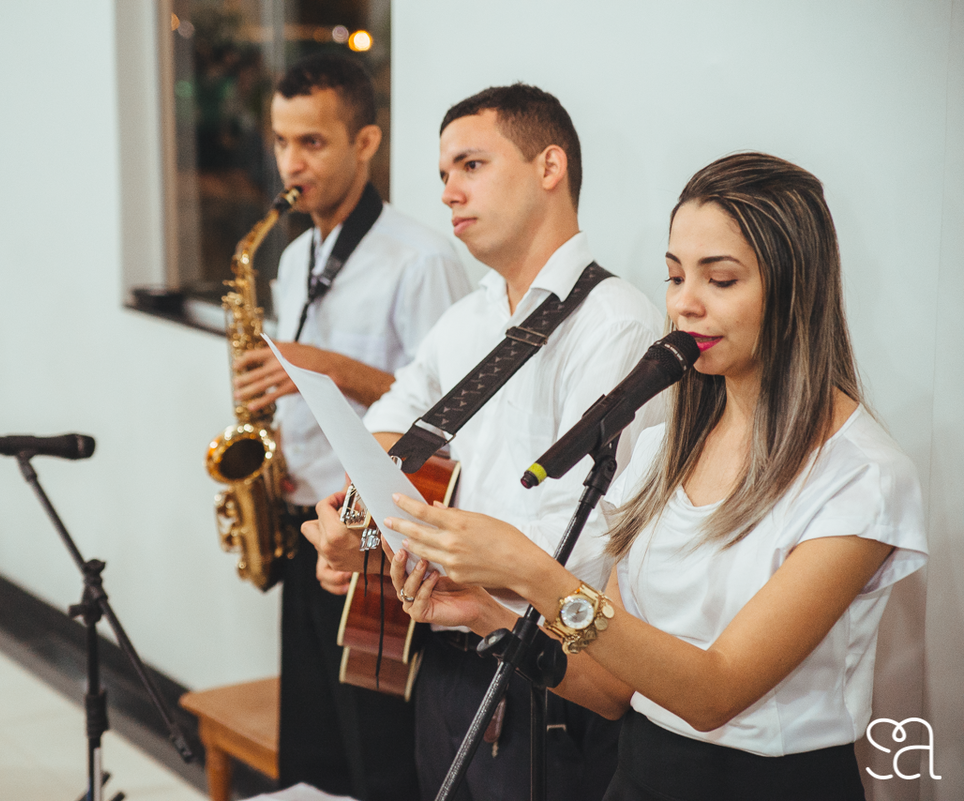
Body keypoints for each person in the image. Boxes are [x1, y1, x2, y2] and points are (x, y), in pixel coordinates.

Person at [385, 152, 929, 801]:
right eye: (674, 276)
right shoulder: (665, 447)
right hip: (639, 775)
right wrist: (482, 611)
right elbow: (614, 689)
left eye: (720, 279)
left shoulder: (861, 476)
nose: (684, 304)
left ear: (795, 286)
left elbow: (713, 693)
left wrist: (535, 573)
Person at [303, 84, 664, 801]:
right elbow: (393, 431)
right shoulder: (468, 319)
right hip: (441, 653)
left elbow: (585, 537)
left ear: (549, 167)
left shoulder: (615, 324)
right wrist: (351, 522)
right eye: (443, 175)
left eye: (470, 165)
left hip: (546, 670)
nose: (447, 192)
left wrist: (401, 533)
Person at [232, 53, 470, 801]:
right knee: (314, 750)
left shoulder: (421, 258)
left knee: (380, 761)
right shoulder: (296, 252)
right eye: (280, 141)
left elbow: (454, 415)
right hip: (308, 526)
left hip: (376, 543)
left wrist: (321, 367)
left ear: (366, 143)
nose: (291, 163)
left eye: (313, 142)